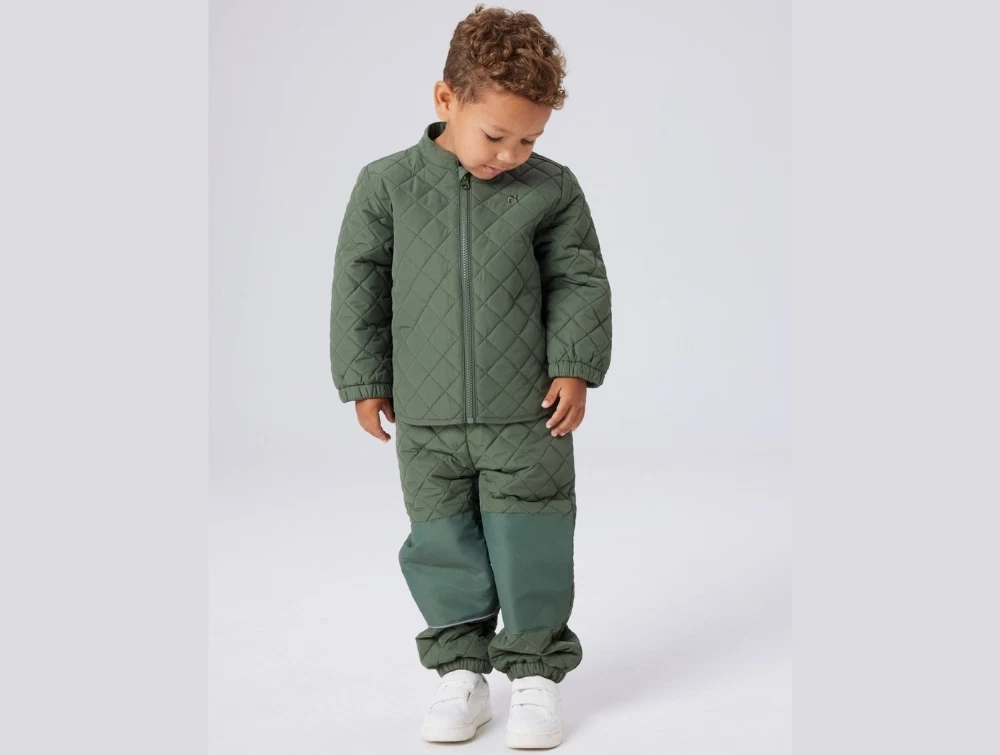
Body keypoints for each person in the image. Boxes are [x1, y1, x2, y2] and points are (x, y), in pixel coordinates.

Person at [329, 4, 612, 748]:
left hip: (527, 413)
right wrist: (364, 377)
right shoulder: (386, 186)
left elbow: (578, 279)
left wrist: (575, 366)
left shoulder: (551, 189)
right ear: (446, 99)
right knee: (442, 543)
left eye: (530, 139)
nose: (511, 154)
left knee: (532, 539)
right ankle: (460, 671)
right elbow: (359, 284)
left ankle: (536, 674)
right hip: (426, 417)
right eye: (496, 135)